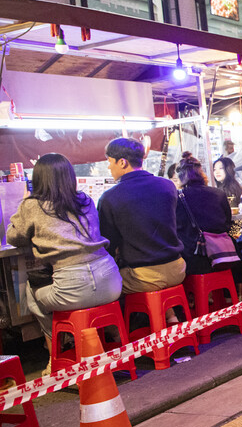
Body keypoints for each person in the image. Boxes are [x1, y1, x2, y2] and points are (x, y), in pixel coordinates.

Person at [6, 153, 123, 374]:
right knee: (61, 290)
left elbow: (14, 237)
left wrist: (24, 201)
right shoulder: (85, 200)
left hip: (72, 288)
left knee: (31, 294)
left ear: (38, 179)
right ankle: (110, 337)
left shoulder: (33, 206)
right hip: (111, 282)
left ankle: (56, 352)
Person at [98, 138, 186, 297]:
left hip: (144, 277)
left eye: (110, 162)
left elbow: (108, 243)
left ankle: (136, 320)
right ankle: (168, 315)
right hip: (177, 269)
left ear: (123, 163)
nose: (109, 167)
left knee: (102, 286)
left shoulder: (110, 197)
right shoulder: (167, 185)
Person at [174, 152, 233, 276]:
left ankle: (193, 295)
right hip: (222, 256)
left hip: (194, 257)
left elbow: (176, 227)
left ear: (180, 176)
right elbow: (228, 224)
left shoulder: (178, 197)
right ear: (201, 173)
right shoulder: (218, 193)